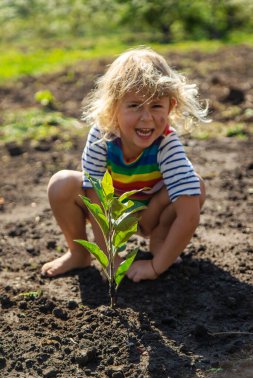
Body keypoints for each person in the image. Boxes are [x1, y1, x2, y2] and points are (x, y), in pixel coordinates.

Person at [41, 47, 208, 282]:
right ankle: (78, 254)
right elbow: (95, 197)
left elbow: (189, 212)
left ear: (170, 107)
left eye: (156, 106)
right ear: (113, 108)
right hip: (113, 215)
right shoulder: (102, 137)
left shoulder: (167, 145)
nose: (146, 117)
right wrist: (111, 259)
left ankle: (160, 246)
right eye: (134, 106)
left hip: (151, 215)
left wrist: (155, 267)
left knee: (194, 187)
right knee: (62, 183)